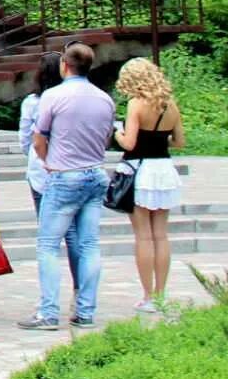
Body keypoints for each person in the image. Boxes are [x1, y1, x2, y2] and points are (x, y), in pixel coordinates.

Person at [18, 41, 114, 331]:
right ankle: (85, 311)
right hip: (95, 173)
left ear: (65, 65)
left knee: (48, 244)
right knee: (89, 244)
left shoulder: (53, 96)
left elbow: (38, 138)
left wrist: (48, 161)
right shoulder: (104, 99)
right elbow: (107, 136)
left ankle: (48, 312)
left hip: (64, 175)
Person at [114, 57, 186, 311]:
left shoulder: (135, 104)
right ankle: (161, 295)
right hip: (164, 170)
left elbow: (130, 144)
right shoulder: (170, 105)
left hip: (141, 171)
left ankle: (146, 296)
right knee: (161, 236)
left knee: (143, 237)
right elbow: (179, 142)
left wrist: (117, 134)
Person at [19, 52, 80, 289]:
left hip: (41, 172)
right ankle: (79, 287)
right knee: (74, 234)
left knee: (48, 236)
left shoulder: (33, 102)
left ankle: (49, 294)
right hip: (71, 167)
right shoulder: (73, 100)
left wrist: (35, 156)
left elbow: (26, 138)